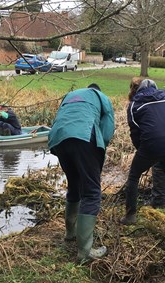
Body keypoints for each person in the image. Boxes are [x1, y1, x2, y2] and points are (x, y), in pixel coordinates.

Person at [48, 83, 115, 263]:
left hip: (58, 137)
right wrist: (99, 149)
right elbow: (107, 129)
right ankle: (85, 252)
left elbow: (60, 118)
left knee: (74, 184)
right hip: (83, 135)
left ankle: (71, 233)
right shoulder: (102, 97)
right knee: (92, 193)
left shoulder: (70, 95)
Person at [120, 78, 165, 240]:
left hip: (151, 145)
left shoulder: (135, 105)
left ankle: (130, 216)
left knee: (133, 176)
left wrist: (143, 152)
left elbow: (135, 132)